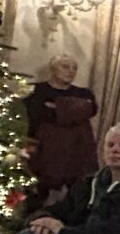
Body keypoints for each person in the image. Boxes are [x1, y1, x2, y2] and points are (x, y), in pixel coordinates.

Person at [23, 55, 98, 204]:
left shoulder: (84, 93)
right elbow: (37, 112)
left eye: (74, 68)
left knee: (77, 199)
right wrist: (72, 109)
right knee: (35, 198)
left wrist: (56, 107)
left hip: (77, 154)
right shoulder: (36, 90)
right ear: (53, 69)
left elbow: (91, 109)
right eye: (65, 66)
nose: (71, 71)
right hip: (43, 152)